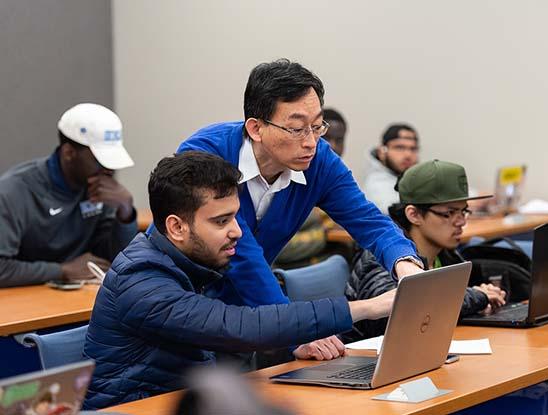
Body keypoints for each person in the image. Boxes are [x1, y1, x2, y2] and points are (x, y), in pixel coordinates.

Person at [83, 152, 397, 409]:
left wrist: (292, 341)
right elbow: (240, 327)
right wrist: (370, 307)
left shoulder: (196, 263)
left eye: (235, 216)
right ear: (177, 227)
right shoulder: (141, 279)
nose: (237, 231)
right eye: (221, 221)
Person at [177, 59, 423, 312]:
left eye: (317, 127)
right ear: (256, 128)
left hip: (247, 313)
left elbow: (368, 219)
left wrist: (404, 262)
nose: (311, 142)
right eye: (296, 129)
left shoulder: (320, 161)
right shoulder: (204, 155)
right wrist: (291, 326)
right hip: (179, 301)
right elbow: (242, 255)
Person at [346, 160, 506, 339]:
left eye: (463, 211)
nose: (461, 221)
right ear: (413, 215)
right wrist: (477, 296)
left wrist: (483, 297)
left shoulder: (447, 255)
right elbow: (395, 315)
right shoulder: (383, 257)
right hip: (368, 360)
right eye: (449, 213)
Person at [0, 103, 137, 288]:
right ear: (69, 153)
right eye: (100, 161)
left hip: (77, 297)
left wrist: (125, 212)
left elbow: (115, 259)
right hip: (22, 302)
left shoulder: (99, 188)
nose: (109, 171)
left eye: (112, 161)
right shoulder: (14, 192)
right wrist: (61, 271)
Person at [274, 107, 348, 268]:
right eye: (326, 138)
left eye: (340, 140)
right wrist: (322, 234)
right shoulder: (286, 176)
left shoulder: (336, 177)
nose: (333, 146)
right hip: (286, 274)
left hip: (325, 267)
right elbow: (278, 246)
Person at [363, 123, 420, 213]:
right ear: (382, 152)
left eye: (413, 149)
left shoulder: (412, 179)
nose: (408, 155)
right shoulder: (377, 186)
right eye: (399, 147)